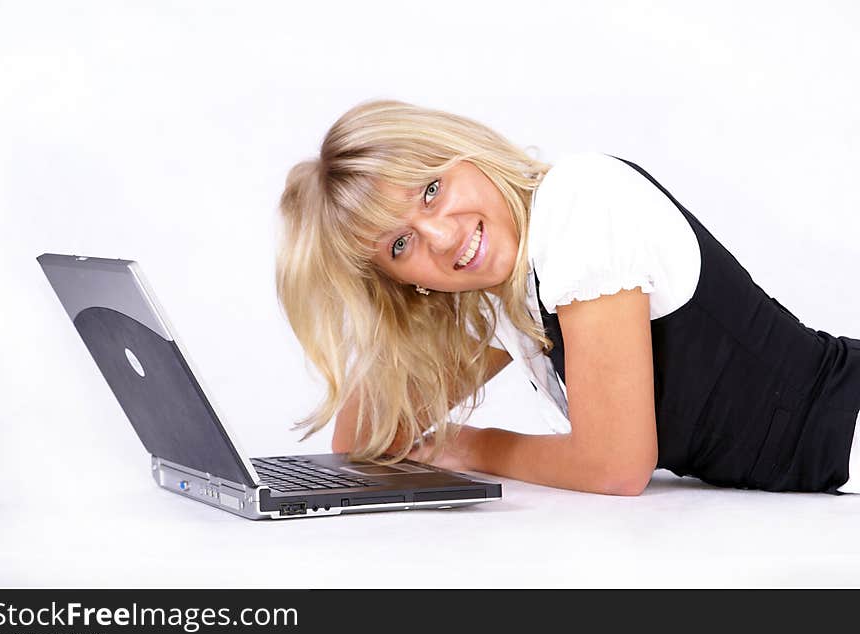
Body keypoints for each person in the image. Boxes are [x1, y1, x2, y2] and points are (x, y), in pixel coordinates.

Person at [275, 98, 860, 496]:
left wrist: (466, 448)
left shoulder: (581, 204)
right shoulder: (506, 295)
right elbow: (361, 442)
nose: (444, 235)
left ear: (467, 154)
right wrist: (391, 310)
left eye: (432, 190)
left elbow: (616, 466)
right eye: (401, 244)